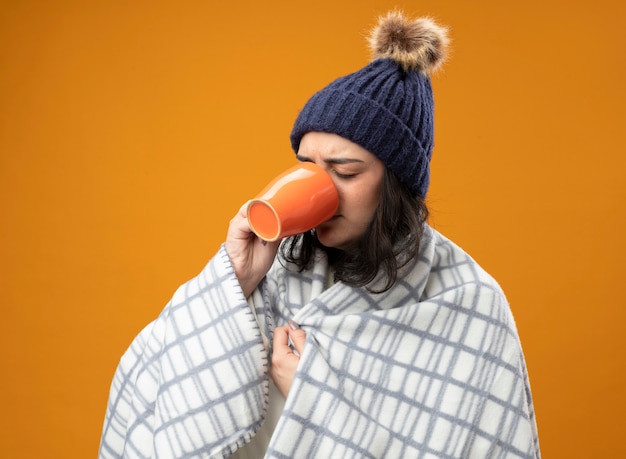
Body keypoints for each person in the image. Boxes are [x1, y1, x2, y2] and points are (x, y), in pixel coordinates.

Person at [99, 10, 540, 459]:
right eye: (307, 167)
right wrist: (232, 279)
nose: (321, 187)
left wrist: (311, 397)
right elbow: (151, 381)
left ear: (396, 185)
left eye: (344, 172)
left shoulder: (469, 302)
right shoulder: (273, 268)